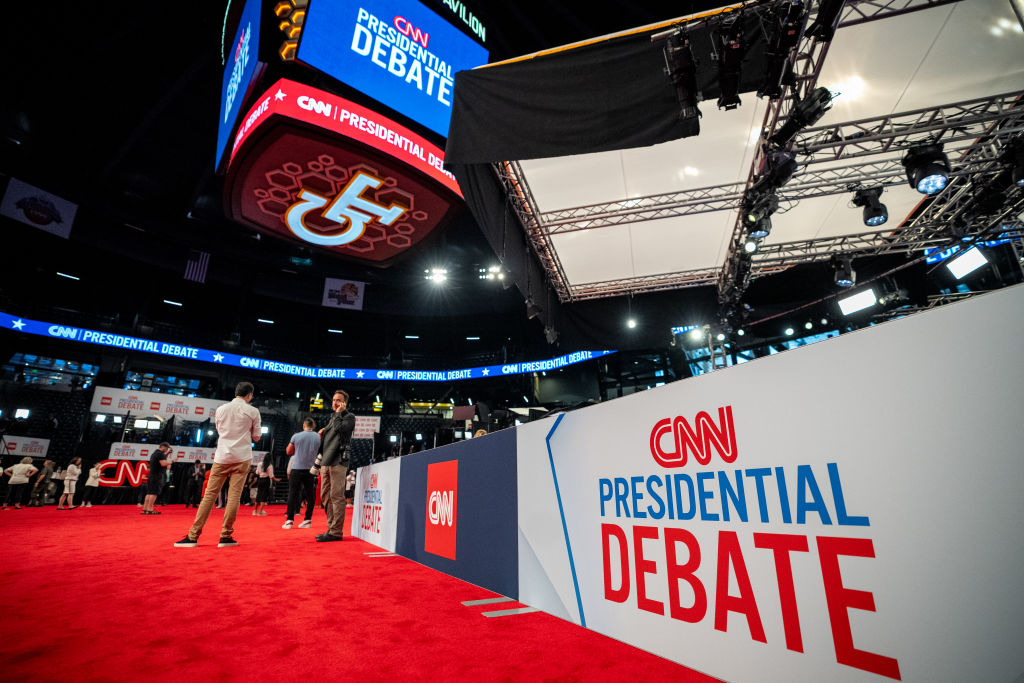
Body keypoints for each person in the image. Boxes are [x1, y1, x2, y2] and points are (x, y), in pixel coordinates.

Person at [175, 381, 261, 548]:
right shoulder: (253, 411)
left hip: (222, 456)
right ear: (249, 395)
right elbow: (256, 437)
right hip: (242, 457)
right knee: (234, 497)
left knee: (209, 496)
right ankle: (225, 536)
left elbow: (220, 431)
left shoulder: (221, 409)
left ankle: (193, 536)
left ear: (236, 392)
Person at [311, 389, 354, 542]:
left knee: (336, 496)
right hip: (326, 462)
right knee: (325, 497)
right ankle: (331, 528)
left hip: (338, 462)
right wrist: (322, 433)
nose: (335, 402)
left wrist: (338, 414)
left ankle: (336, 532)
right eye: (334, 400)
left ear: (345, 403)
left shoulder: (349, 417)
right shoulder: (332, 419)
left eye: (338, 400)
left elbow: (340, 429)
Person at [282, 418, 320, 530]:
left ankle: (289, 521)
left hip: (297, 468)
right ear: (313, 425)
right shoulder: (318, 437)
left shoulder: (296, 436)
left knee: (293, 494)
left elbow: (288, 451)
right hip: (311, 470)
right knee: (310, 495)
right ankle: (308, 520)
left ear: (304, 425)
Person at [142, 444, 172, 515]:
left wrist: (167, 454)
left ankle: (145, 509)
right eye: (166, 448)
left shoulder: (155, 453)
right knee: (154, 493)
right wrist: (172, 461)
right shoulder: (160, 454)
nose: (166, 450)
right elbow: (163, 463)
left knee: (149, 492)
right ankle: (150, 509)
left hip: (151, 475)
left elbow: (162, 459)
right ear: (163, 447)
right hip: (157, 476)